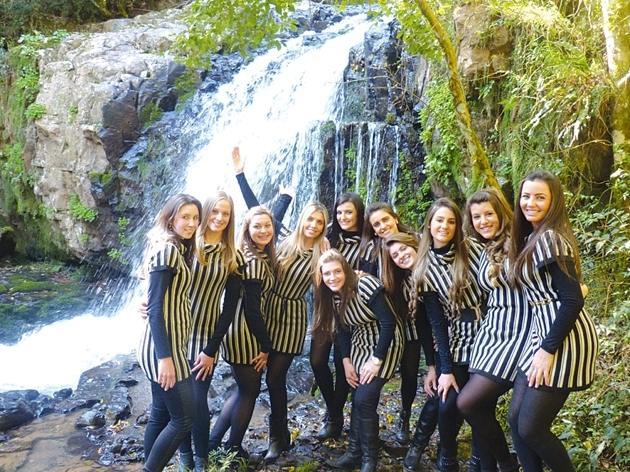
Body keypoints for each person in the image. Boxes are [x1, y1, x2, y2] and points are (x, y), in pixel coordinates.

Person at [230, 147, 329, 462]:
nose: (313, 225)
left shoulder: (323, 251)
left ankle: (277, 438)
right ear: (302, 219)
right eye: (310, 219)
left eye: (319, 222)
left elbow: (333, 285)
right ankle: (246, 441)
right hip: (266, 311)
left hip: (292, 317)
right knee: (257, 379)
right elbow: (255, 212)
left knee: (275, 378)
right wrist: (240, 175)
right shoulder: (282, 237)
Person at [508, 170, 598, 471]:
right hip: (541, 335)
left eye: (540, 197)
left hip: (562, 339)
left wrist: (547, 350)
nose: (530, 203)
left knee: (531, 428)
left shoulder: (549, 238)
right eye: (526, 196)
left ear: (553, 201)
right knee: (515, 420)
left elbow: (572, 299)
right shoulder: (531, 237)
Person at [455, 187, 528, 472]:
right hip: (490, 334)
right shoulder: (484, 248)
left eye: (488, 214)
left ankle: (507, 463)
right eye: (477, 217)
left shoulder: (518, 242)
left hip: (516, 334)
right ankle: (491, 466)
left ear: (501, 213)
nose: (483, 221)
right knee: (480, 408)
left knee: (468, 403)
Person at [412, 198, 485, 471]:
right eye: (439, 220)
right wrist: (444, 369)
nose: (445, 226)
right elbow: (437, 323)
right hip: (458, 337)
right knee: (446, 403)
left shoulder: (473, 250)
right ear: (429, 224)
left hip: (488, 332)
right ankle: (448, 455)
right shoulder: (424, 268)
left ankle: (478, 458)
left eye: (451, 221)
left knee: (480, 402)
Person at [315, 249, 403, 472]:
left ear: (346, 270)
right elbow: (343, 330)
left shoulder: (365, 285)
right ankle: (354, 452)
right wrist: (346, 361)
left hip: (386, 341)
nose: (333, 277)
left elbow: (389, 322)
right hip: (360, 341)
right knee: (357, 396)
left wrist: (376, 360)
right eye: (327, 274)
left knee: (364, 398)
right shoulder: (331, 295)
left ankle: (369, 459)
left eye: (337, 271)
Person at [176, 191, 243, 471]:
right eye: (214, 211)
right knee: (180, 402)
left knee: (197, 400)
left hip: (206, 334)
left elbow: (229, 308)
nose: (219, 217)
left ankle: (201, 459)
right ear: (205, 213)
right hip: (177, 330)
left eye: (225, 213)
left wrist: (211, 349)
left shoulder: (232, 256)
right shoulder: (188, 244)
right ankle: (185, 457)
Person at [137, 194, 201, 472]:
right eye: (185, 217)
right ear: (171, 218)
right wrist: (165, 359)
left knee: (160, 414)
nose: (191, 223)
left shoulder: (176, 248)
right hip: (164, 349)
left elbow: (152, 298)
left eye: (195, 218)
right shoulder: (168, 251)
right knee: (184, 419)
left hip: (163, 345)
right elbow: (154, 309)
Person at [207, 206, 276, 458]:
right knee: (250, 391)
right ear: (246, 229)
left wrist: (284, 199)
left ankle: (213, 443)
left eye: (267, 225)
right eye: (257, 226)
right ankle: (233, 449)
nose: (263, 230)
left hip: (235, 331)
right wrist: (266, 346)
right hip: (246, 333)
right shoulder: (253, 262)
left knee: (241, 389)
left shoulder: (245, 253)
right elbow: (252, 310)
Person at [381, 232, 440, 469]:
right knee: (407, 373)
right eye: (395, 254)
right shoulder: (397, 275)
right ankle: (404, 418)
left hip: (429, 331)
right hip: (404, 329)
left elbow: (428, 319)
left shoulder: (429, 272)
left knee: (415, 375)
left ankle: (408, 420)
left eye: (404, 250)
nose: (401, 256)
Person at [310, 192, 364, 440]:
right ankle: (334, 410)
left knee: (344, 365)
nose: (343, 217)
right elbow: (284, 230)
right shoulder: (328, 237)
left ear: (359, 213)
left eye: (348, 212)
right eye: (339, 212)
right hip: (326, 308)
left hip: (351, 311)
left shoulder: (368, 241)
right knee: (317, 361)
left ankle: (334, 418)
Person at [358, 202, 412, 277]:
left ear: (395, 219)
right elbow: (368, 279)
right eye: (377, 224)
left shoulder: (415, 238)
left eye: (385, 220)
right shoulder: (371, 250)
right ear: (374, 231)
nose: (383, 226)